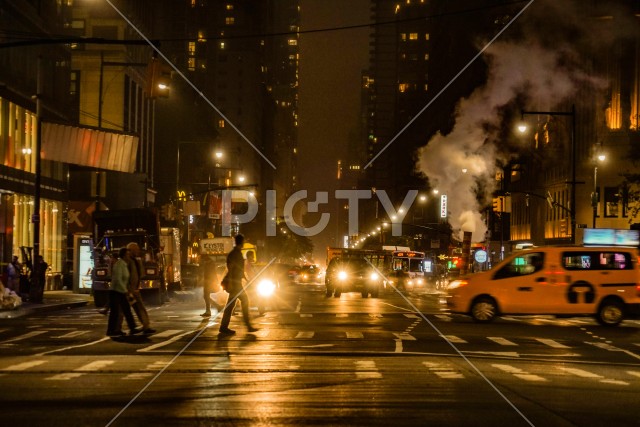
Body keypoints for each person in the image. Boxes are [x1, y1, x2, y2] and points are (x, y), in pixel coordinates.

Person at [219, 234, 257, 335]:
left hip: (237, 282)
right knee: (243, 301)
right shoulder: (234, 254)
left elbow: (238, 269)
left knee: (231, 305)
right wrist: (231, 283)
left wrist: (245, 278)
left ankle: (224, 327)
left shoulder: (237, 253)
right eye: (243, 241)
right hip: (234, 283)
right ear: (241, 242)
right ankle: (247, 326)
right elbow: (231, 269)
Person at [107, 248, 141, 337]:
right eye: (127, 254)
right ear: (123, 255)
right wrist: (125, 290)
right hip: (116, 291)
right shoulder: (119, 265)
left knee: (126, 310)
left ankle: (132, 328)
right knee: (115, 311)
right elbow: (118, 279)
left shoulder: (124, 264)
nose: (128, 256)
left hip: (120, 290)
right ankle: (111, 330)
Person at [125, 242, 156, 334]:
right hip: (129, 290)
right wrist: (128, 289)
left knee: (140, 308)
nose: (137, 251)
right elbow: (126, 276)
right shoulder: (127, 261)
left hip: (135, 289)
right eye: (135, 250)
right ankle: (122, 328)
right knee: (124, 311)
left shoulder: (135, 260)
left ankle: (146, 326)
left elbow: (141, 274)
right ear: (130, 251)